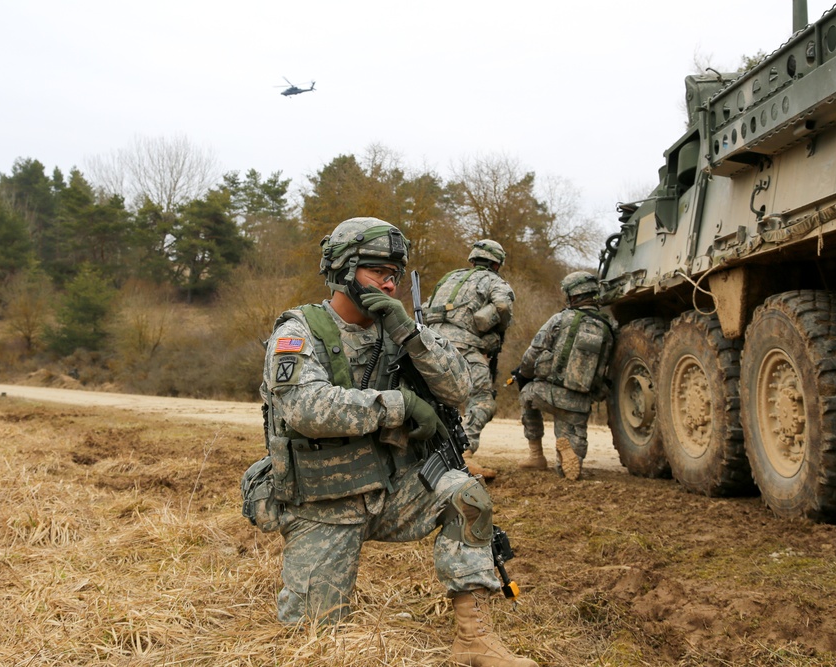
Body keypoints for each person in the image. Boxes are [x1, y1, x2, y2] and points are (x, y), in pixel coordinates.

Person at [259, 217, 535, 667]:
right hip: (324, 503)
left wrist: (409, 331)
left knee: (465, 495)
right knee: (313, 641)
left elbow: (460, 390)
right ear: (345, 271)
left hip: (390, 494)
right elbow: (306, 409)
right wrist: (400, 406)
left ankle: (474, 641)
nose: (388, 285)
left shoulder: (399, 330)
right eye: (376, 272)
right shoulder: (299, 331)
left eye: (394, 275)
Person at [423, 240, 514, 476]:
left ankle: (427, 453)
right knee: (483, 400)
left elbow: (426, 308)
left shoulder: (448, 278)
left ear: (472, 259)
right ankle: (463, 454)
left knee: (433, 400)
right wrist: (495, 326)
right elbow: (503, 306)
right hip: (463, 347)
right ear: (496, 263)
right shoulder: (494, 281)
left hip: (429, 344)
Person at [515, 271, 616, 480]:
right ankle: (569, 458)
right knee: (569, 463)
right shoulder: (610, 329)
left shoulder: (560, 319)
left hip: (547, 394)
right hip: (579, 405)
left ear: (571, 296)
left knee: (526, 394)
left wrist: (523, 375)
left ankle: (536, 455)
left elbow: (532, 354)